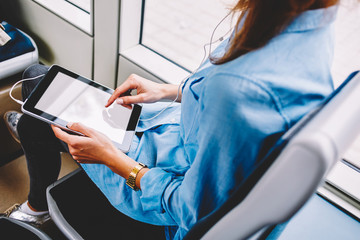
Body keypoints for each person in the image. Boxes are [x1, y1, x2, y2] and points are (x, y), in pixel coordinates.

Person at [3, 0, 339, 239]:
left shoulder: (240, 88)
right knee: (40, 79)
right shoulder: (313, 17)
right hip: (175, 134)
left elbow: (193, 215)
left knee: (39, 109)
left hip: (160, 190)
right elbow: (228, 107)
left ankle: (37, 203)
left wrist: (112, 160)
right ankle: (39, 131)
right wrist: (171, 91)